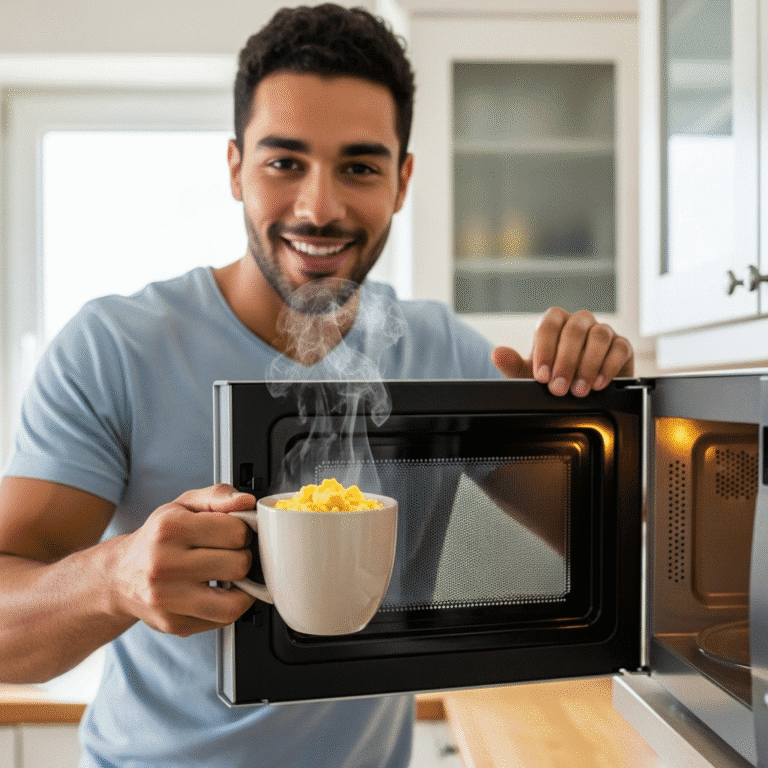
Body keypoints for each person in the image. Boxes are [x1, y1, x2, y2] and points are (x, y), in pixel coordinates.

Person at [0, 4, 634, 767]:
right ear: (235, 168)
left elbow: (603, 548)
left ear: (401, 182)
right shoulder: (114, 347)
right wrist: (114, 579)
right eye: (285, 162)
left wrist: (602, 416)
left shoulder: (441, 349)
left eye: (359, 167)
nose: (320, 208)